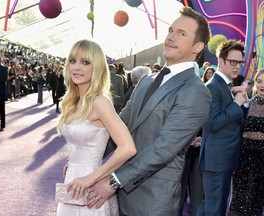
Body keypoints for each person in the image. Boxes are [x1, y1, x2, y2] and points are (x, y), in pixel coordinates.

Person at [87, 6, 212, 215]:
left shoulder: (195, 90)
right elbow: (120, 125)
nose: (171, 37)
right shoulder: (147, 80)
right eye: (171, 30)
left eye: (182, 34)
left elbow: (164, 148)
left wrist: (113, 182)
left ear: (198, 46)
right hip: (119, 195)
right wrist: (89, 157)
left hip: (153, 201)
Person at [56, 39, 136, 216]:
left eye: (85, 62)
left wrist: (89, 178)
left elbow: (128, 148)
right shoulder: (73, 100)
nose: (76, 67)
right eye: (72, 61)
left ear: (97, 67)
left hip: (91, 186)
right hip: (72, 182)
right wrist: (74, 161)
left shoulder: (100, 102)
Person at [197, 39, 248, 216]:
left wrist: (243, 103)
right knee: (214, 209)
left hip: (221, 159)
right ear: (220, 61)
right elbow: (212, 124)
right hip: (217, 160)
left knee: (210, 207)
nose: (237, 66)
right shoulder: (213, 87)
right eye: (233, 62)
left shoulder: (225, 85)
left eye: (240, 62)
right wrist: (236, 104)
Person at [228, 68, 264, 216]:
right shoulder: (248, 103)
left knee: (256, 197)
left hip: (262, 157)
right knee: (239, 196)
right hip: (244, 155)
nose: (262, 85)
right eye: (259, 81)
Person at [179, 65, 214, 216]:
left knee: (197, 194)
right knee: (177, 194)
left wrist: (201, 137)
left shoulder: (205, 93)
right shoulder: (176, 94)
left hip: (199, 152)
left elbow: (211, 121)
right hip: (179, 152)